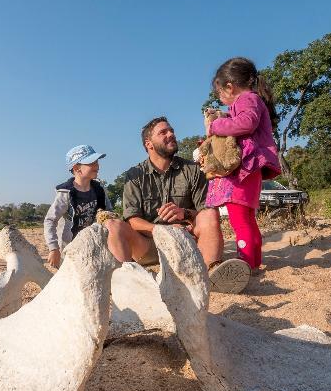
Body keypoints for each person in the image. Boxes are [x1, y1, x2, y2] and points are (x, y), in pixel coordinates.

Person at [105, 117, 251, 293]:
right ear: (149, 144)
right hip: (149, 246)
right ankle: (128, 282)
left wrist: (185, 214)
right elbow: (132, 220)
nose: (171, 134)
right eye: (163, 132)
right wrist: (160, 230)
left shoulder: (193, 169)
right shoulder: (134, 175)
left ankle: (210, 272)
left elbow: (205, 212)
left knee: (210, 214)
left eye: (171, 130)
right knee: (112, 225)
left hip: (187, 242)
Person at [203, 57, 282, 270]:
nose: (220, 98)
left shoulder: (247, 99)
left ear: (229, 86)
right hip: (253, 168)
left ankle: (244, 264)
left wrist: (217, 125)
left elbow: (246, 123)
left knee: (239, 219)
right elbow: (245, 120)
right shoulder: (252, 101)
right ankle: (253, 262)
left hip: (246, 168)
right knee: (247, 218)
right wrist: (226, 116)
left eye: (219, 93)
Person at [44, 145, 113, 268]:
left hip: (93, 245)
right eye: (91, 163)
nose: (97, 166)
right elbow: (50, 220)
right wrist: (53, 248)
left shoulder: (99, 190)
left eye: (97, 162)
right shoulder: (66, 193)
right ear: (77, 168)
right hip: (69, 248)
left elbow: (109, 213)